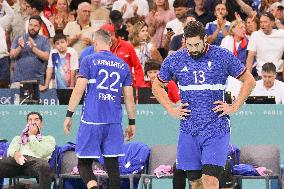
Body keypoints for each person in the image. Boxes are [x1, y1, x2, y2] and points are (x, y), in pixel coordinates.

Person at [152, 21, 255, 189]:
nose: (193, 49)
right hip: (188, 130)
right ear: (184, 40)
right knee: (195, 182)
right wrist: (170, 108)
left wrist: (234, 106)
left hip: (216, 128)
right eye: (189, 44)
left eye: (197, 44)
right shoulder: (175, 59)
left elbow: (249, 81)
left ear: (205, 39)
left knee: (210, 180)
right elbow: (157, 86)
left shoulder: (222, 55)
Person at [63, 29, 136, 189]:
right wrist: (132, 122)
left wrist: (69, 115)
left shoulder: (88, 60)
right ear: (110, 43)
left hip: (91, 120)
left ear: (95, 42)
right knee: (112, 166)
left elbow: (78, 90)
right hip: (113, 122)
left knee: (83, 164)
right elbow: (129, 98)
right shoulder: (123, 65)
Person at [0, 112, 56, 189]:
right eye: (30, 120)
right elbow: (11, 150)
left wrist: (32, 135)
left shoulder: (48, 139)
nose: (33, 122)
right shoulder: (18, 138)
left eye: (36, 119)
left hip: (35, 164)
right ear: (27, 124)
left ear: (41, 124)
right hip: (16, 163)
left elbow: (43, 153)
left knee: (44, 165)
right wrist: (16, 154)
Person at [10, 15, 50, 88]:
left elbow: (46, 57)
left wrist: (33, 49)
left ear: (40, 27)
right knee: (15, 100)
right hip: (18, 81)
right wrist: (20, 47)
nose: (32, 28)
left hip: (36, 82)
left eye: (35, 26)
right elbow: (12, 55)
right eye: (30, 25)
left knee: (33, 100)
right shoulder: (19, 37)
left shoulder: (44, 40)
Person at [246, 12, 284, 81]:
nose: (262, 24)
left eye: (265, 22)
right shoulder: (255, 35)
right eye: (261, 22)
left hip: (277, 75)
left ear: (272, 23)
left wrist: (277, 22)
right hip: (261, 76)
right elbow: (250, 57)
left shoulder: (281, 34)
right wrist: (248, 78)